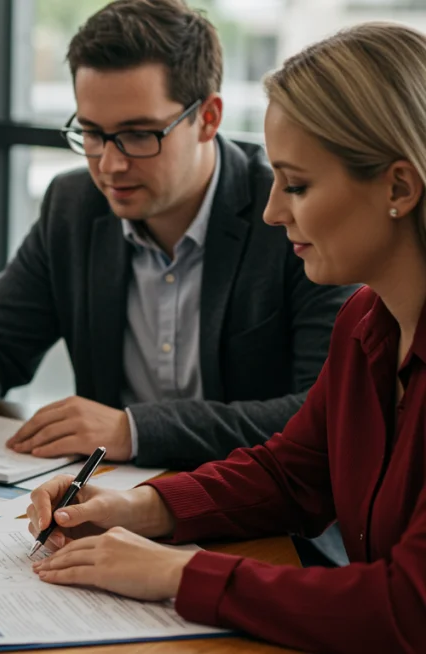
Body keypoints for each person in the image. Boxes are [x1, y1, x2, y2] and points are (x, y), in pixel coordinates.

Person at [26, 21, 426, 653]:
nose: (272, 211)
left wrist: (179, 573)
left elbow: (408, 608)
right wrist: (141, 507)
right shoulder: (366, 326)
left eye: (296, 185)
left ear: (399, 188)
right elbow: (293, 472)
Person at [0, 0, 354, 471]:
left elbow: (322, 415)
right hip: (108, 501)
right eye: (92, 134)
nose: (110, 165)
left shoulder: (290, 214)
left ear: (209, 118)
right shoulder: (75, 207)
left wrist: (132, 430)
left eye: (138, 135)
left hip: (264, 516)